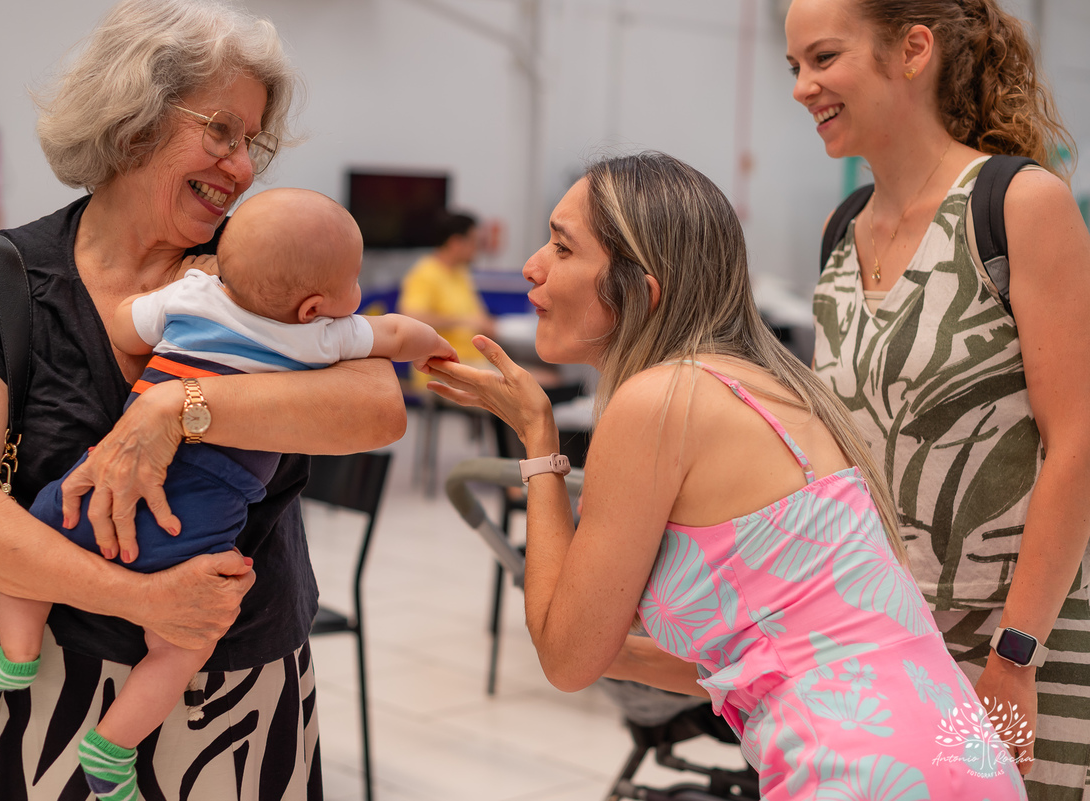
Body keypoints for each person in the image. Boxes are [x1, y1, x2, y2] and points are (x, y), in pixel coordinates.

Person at [0, 2, 408, 799]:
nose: (242, 168)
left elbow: (378, 404)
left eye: (252, 143)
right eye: (222, 131)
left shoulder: (259, 267)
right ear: (135, 119)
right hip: (57, 688)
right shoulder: (3, 278)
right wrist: (144, 600)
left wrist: (178, 409)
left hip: (244, 688)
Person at [424, 151, 1026, 800]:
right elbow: (768, 662)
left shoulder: (659, 399)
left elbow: (564, 656)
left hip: (855, 772)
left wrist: (539, 443)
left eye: (563, 249)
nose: (531, 266)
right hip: (959, 759)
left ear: (640, 289)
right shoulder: (775, 388)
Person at [0, 187, 454, 799]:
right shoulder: (321, 337)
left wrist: (168, 302)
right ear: (313, 306)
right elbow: (397, 336)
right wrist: (432, 347)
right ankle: (112, 745)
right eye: (351, 282)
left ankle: (17, 651)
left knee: (26, 553)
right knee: (179, 648)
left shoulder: (193, 294)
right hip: (190, 526)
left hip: (99, 490)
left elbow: (124, 325)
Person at [786, 0, 1090, 795]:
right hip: (882, 640)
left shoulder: (1020, 205)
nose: (801, 87)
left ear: (913, 49)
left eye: (822, 58)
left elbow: (1078, 443)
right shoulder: (841, 227)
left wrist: (1014, 658)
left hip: (1012, 642)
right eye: (794, 68)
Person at [398, 210, 496, 385]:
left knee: (536, 381)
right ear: (456, 243)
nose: (477, 248)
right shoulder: (425, 273)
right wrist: (463, 321)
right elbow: (410, 317)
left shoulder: (461, 272)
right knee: (527, 388)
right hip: (441, 367)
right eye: (474, 242)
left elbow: (480, 317)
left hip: (472, 361)